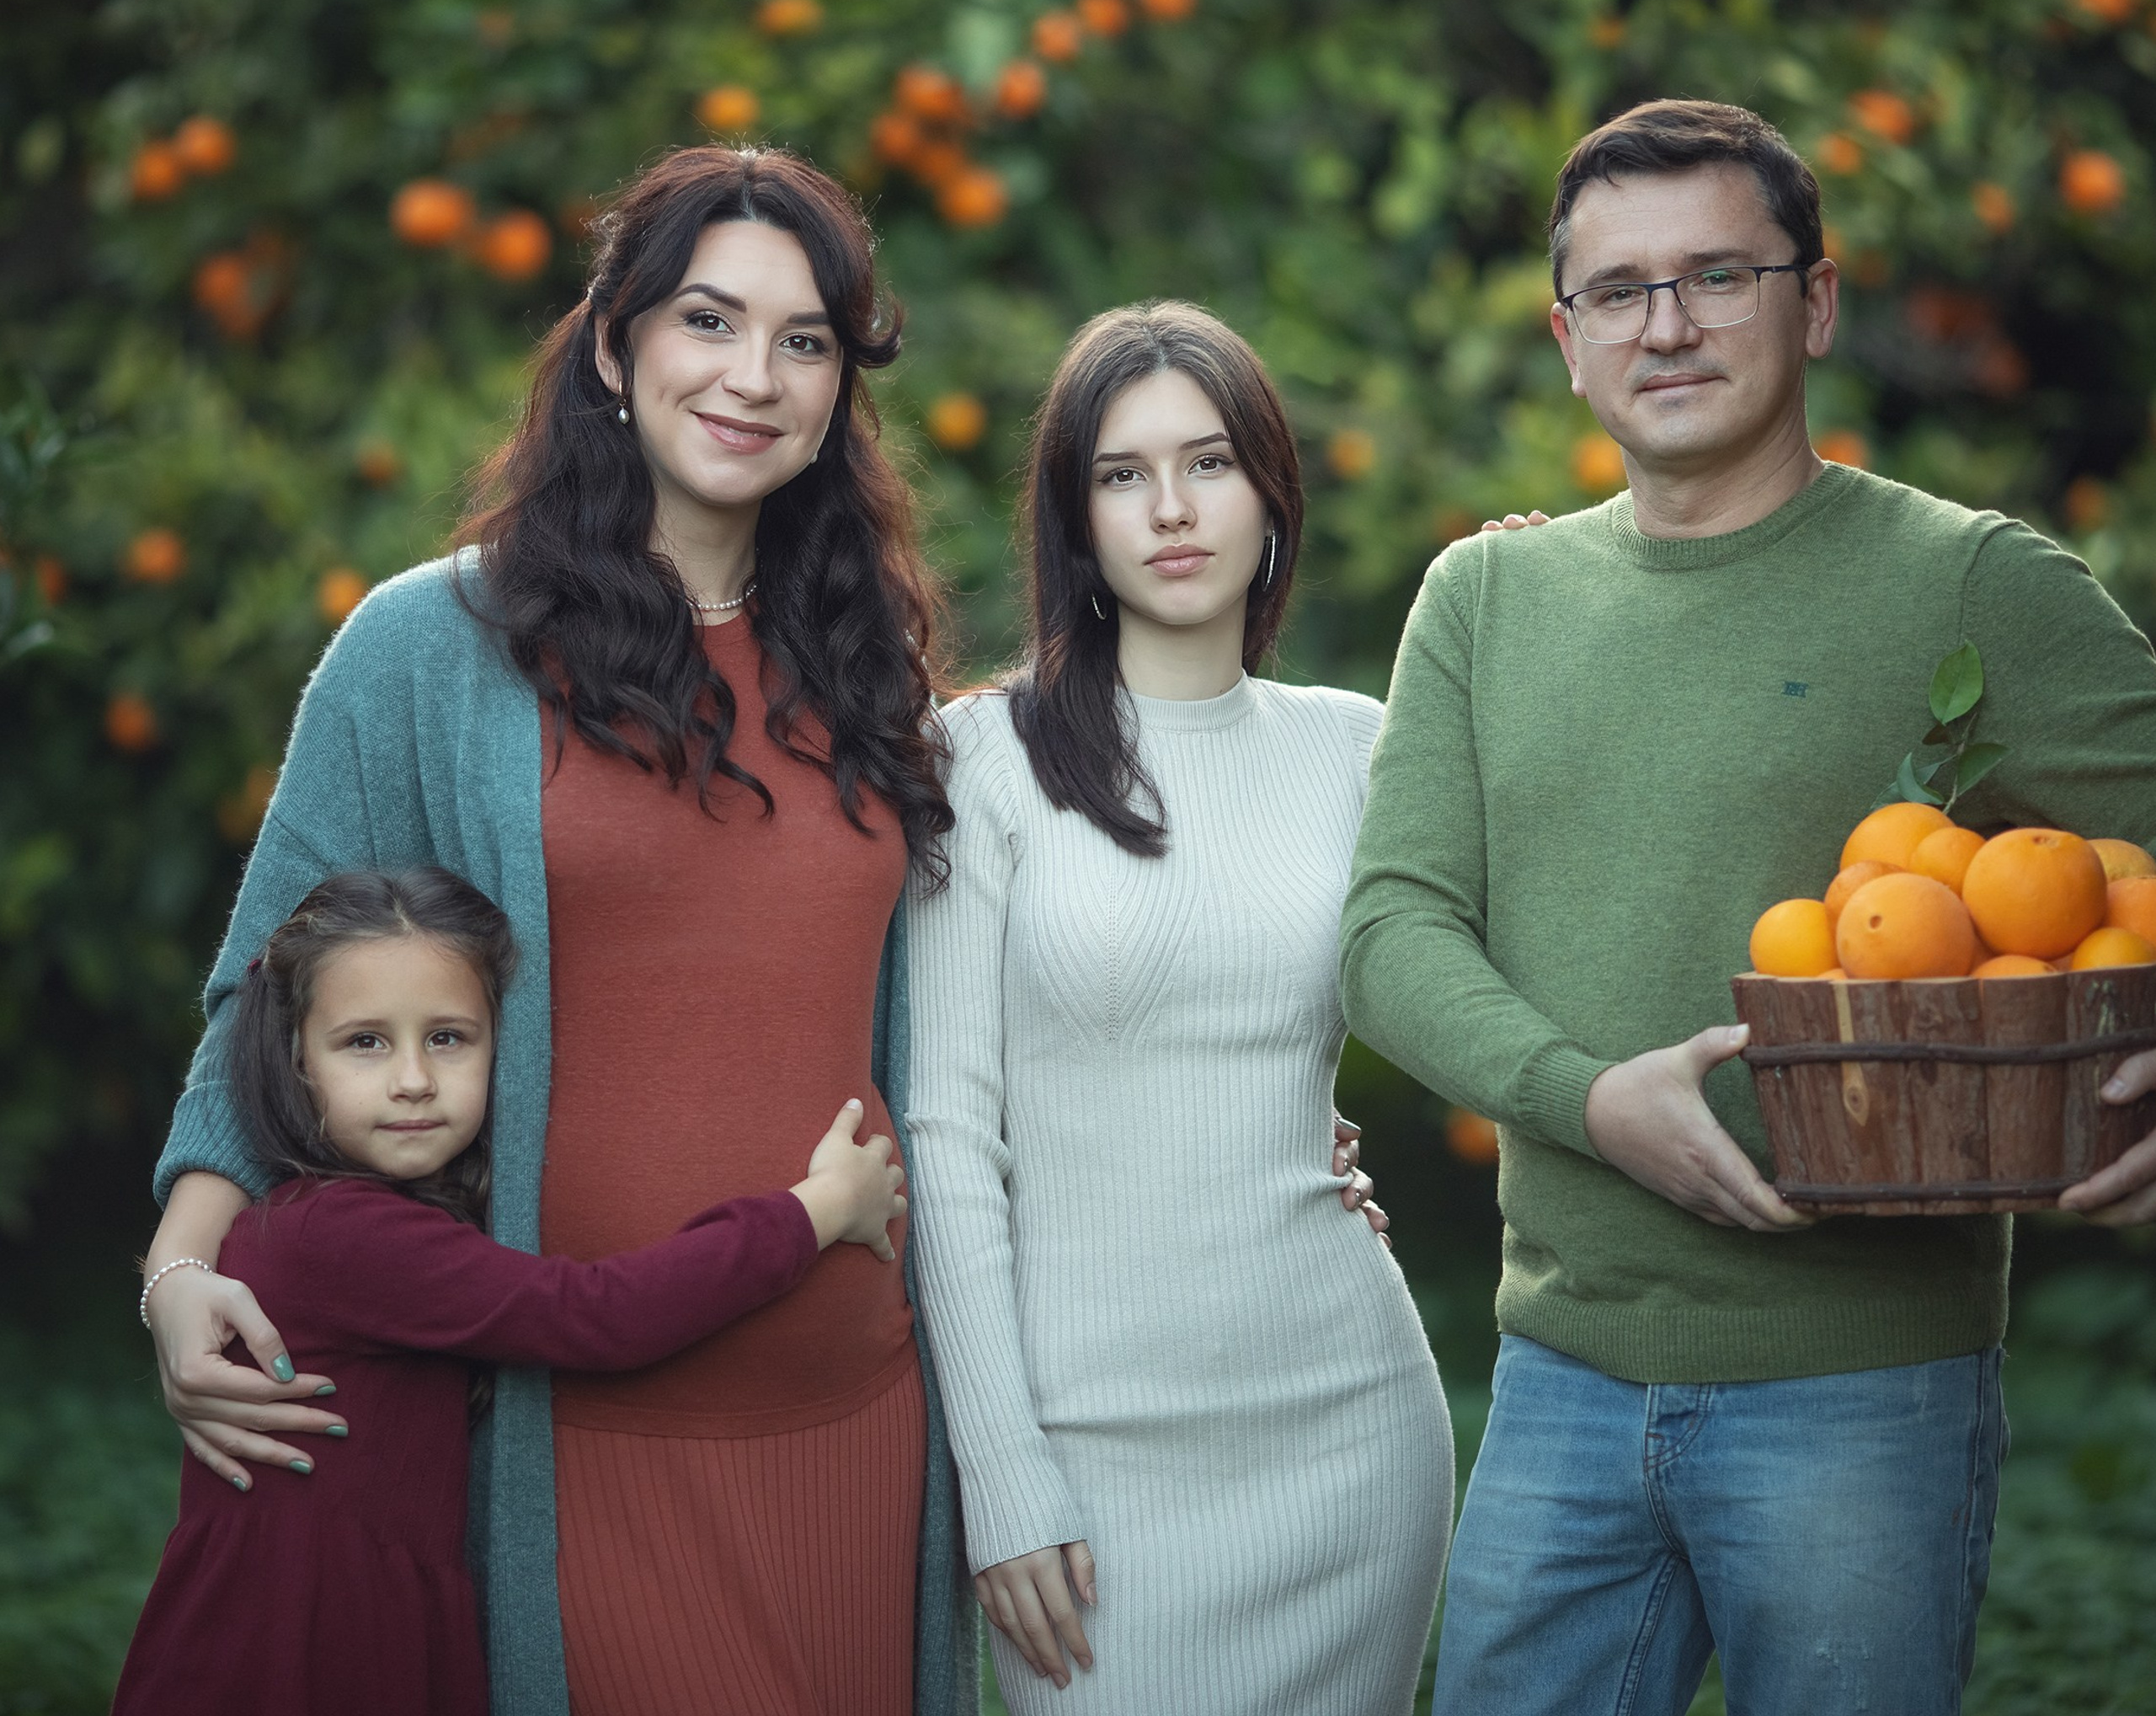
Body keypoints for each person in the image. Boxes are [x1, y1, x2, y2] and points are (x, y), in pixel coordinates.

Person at [136, 144, 976, 1716]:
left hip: (855, 1426)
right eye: (707, 321)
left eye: (803, 342)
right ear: (611, 347)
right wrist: (181, 1267)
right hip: (572, 1440)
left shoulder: (878, 684)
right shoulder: (427, 649)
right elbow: (262, 994)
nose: (753, 377)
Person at [1342, 98, 2156, 1716]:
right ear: (1568, 341)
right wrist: (1590, 1101)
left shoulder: (1969, 584)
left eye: (1719, 274)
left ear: (1818, 303)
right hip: (1559, 1373)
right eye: (1620, 291)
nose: (1669, 325)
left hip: (1866, 1387)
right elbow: (1389, 936)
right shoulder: (1486, 598)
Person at [908, 302, 1451, 1713]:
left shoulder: (1361, 749)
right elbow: (947, 1139)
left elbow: (1482, 991)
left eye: (1209, 463)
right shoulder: (983, 759)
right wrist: (1001, 1472)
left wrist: (1524, 599)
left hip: (1348, 1433)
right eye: (1121, 474)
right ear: (1073, 520)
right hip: (1088, 1457)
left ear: (1271, 494)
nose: (1170, 509)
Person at [116, 867, 906, 1716]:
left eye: (448, 1037)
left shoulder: (338, 1221)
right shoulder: (340, 1237)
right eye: (365, 1042)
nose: (413, 1078)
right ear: (297, 1059)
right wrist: (814, 1211)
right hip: (293, 1644)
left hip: (338, 1615)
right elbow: (598, 1314)